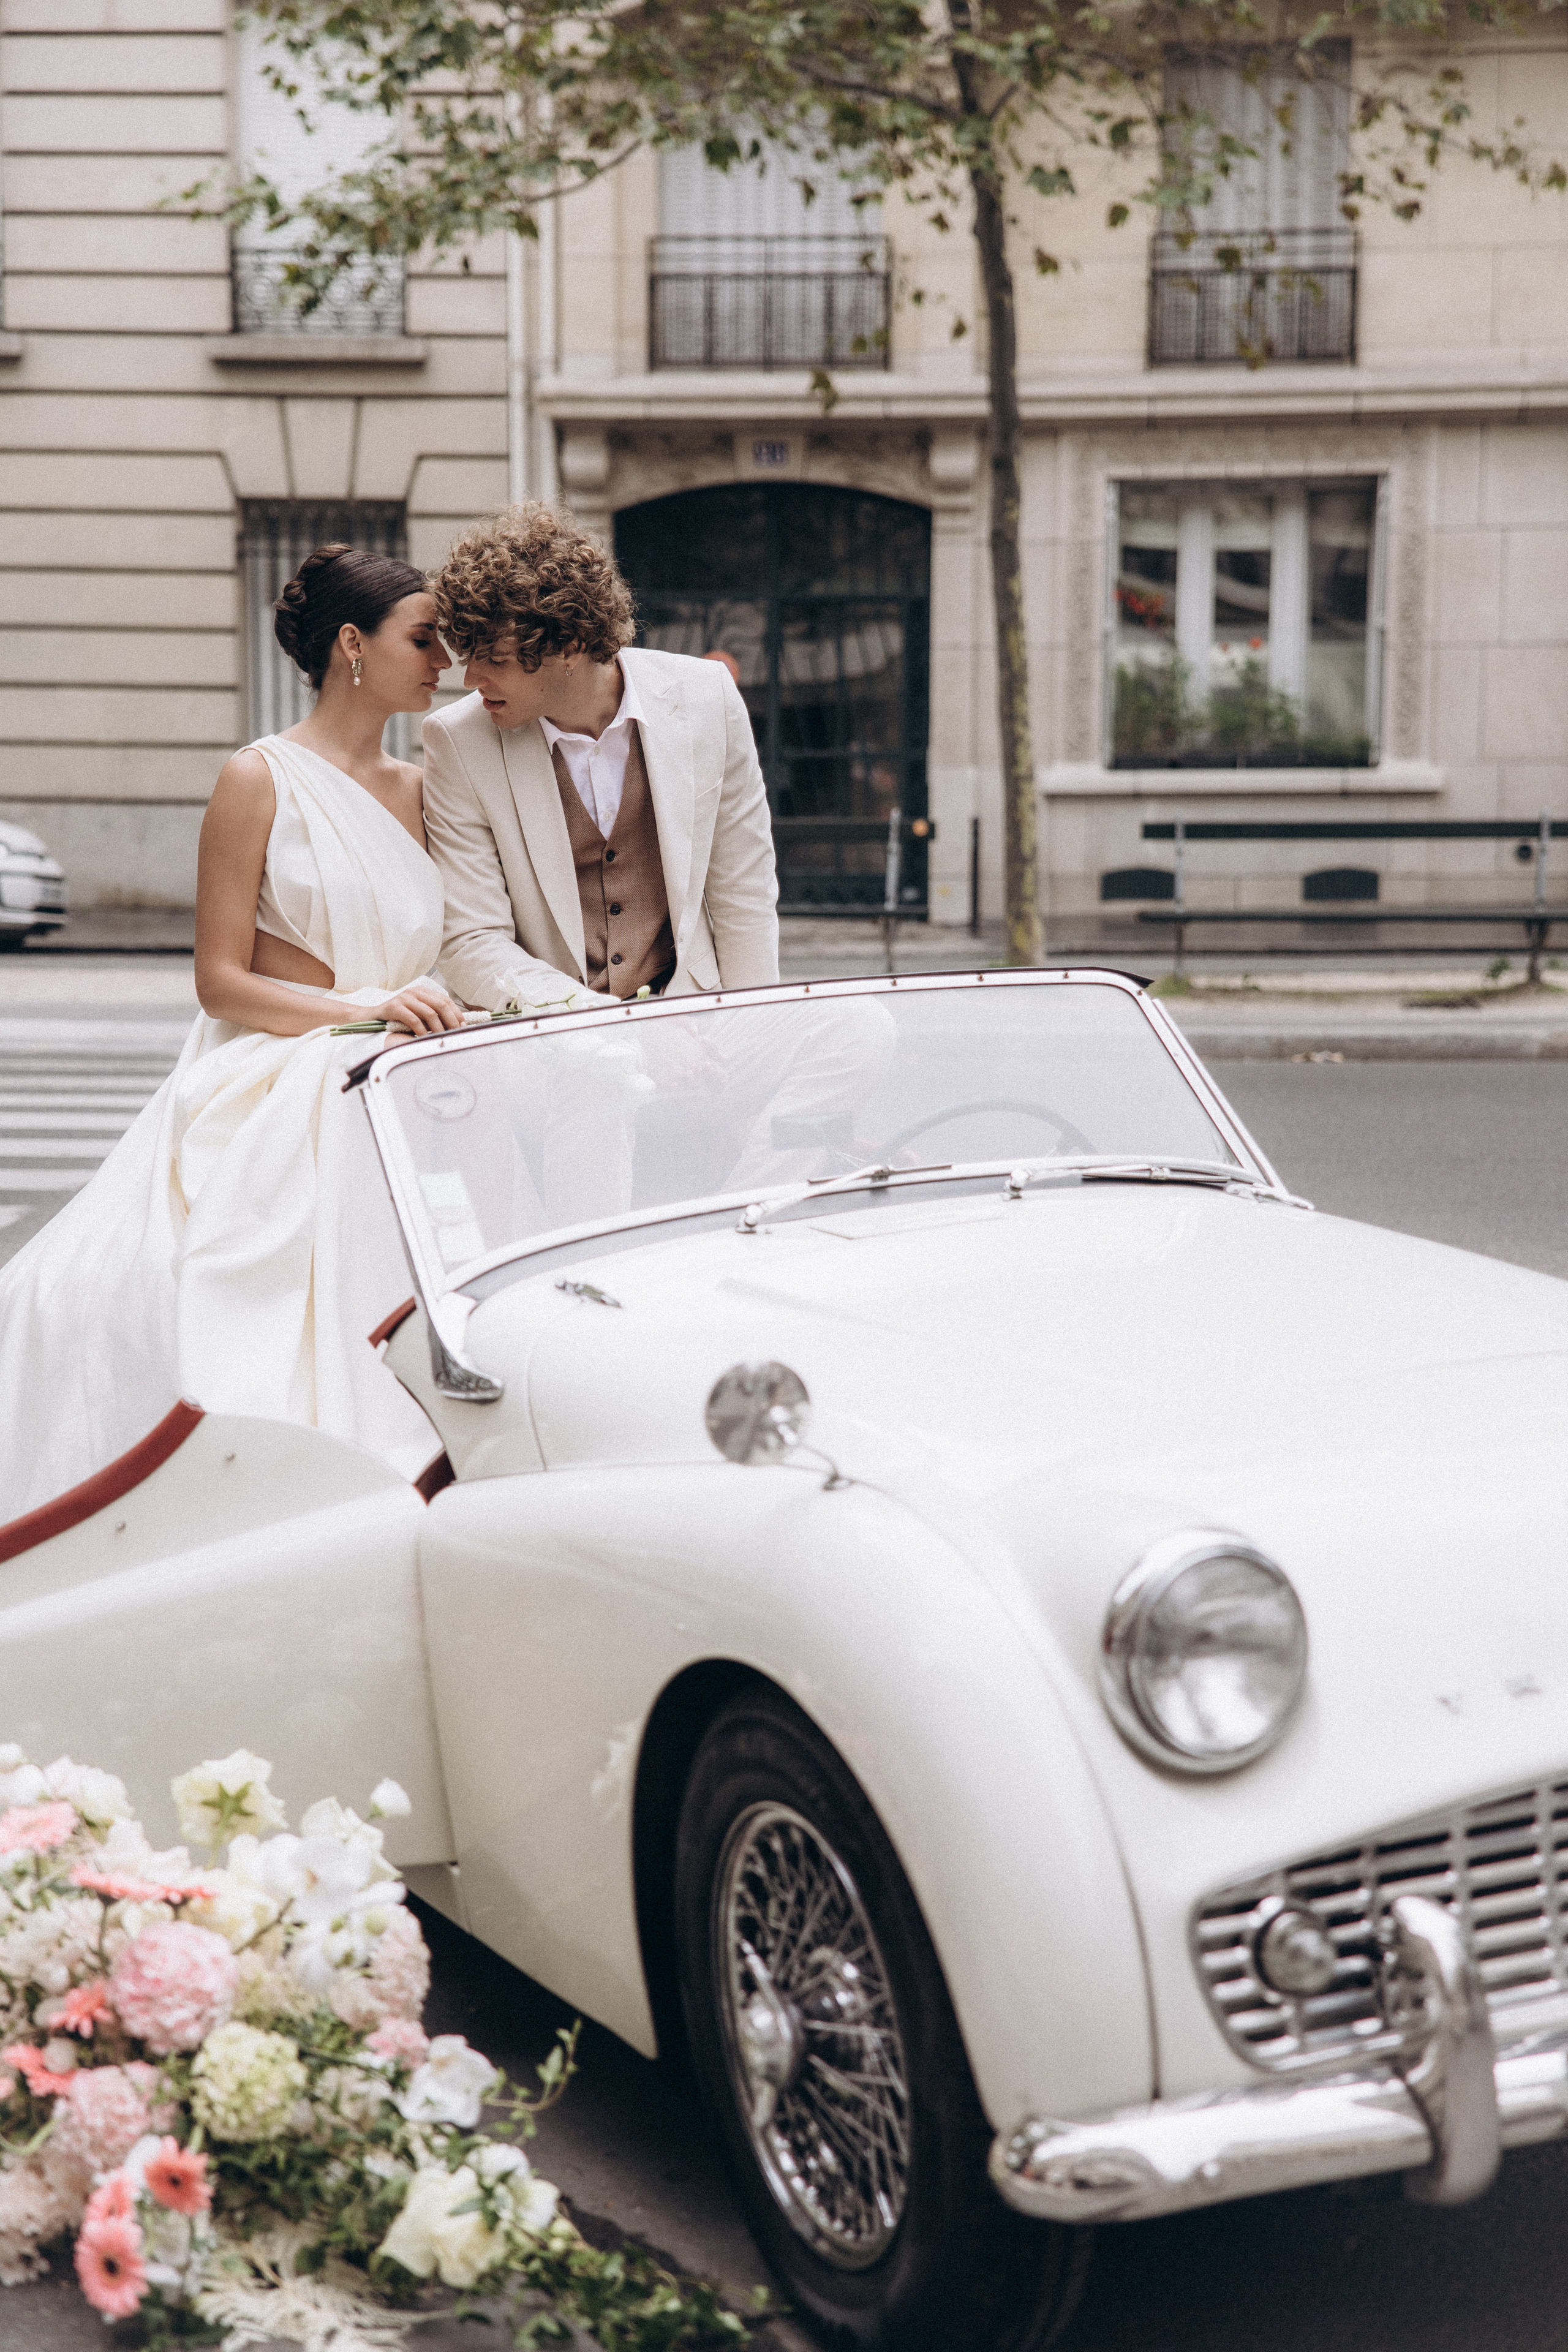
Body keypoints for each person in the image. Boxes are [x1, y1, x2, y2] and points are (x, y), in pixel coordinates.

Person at [0, 547, 464, 1523]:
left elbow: (459, 952)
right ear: (352, 645)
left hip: (409, 1070)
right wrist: (366, 1012)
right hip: (283, 1067)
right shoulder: (257, 778)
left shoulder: (428, 790)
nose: (445, 661)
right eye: (425, 639)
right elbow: (219, 983)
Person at [421, 502, 780, 1014]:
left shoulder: (707, 698)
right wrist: (609, 1028)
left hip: (693, 1018)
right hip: (551, 1036)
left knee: (864, 1031)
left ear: (571, 641)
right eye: (469, 656)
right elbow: (472, 942)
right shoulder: (458, 741)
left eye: (495, 660)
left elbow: (743, 895)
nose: (472, 680)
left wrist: (752, 1030)